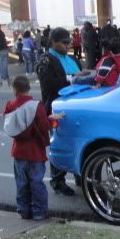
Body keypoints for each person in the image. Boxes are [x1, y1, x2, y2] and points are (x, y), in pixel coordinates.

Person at [36, 27, 88, 196]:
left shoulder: (73, 59)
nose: (67, 46)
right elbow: (50, 83)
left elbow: (80, 79)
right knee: (60, 144)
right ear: (53, 42)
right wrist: (74, 78)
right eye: (64, 43)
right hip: (56, 108)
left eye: (69, 42)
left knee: (79, 142)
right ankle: (58, 180)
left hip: (76, 107)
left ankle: (80, 175)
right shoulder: (45, 60)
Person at [2, 75, 59, 220]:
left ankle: (24, 211)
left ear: (15, 90)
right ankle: (39, 212)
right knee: (36, 183)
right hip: (35, 153)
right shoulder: (36, 106)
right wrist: (52, 119)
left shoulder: (10, 105)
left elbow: (8, 120)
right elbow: (44, 125)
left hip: (18, 152)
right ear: (28, 88)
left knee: (22, 183)